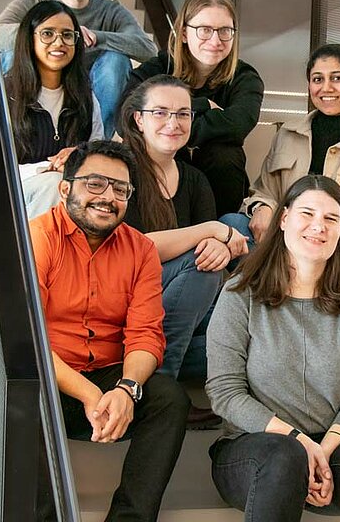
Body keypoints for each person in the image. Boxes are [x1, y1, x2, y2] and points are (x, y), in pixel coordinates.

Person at [206, 175, 340, 521]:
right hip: (255, 450)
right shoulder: (241, 292)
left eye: (330, 218)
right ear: (283, 220)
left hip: (332, 448)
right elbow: (224, 392)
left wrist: (322, 449)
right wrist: (299, 441)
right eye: (306, 214)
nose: (318, 227)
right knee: (286, 455)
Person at [29, 140, 190, 520]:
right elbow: (28, 340)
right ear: (66, 189)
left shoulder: (140, 250)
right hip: (50, 378)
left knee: (169, 399)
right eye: (95, 184)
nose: (108, 198)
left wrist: (127, 389)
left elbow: (146, 334)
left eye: (120, 189)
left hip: (108, 375)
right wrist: (88, 393)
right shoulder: (38, 238)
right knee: (19, 391)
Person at [117, 74, 249, 424]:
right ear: (138, 119)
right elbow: (134, 250)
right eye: (160, 113)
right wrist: (209, 231)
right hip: (126, 307)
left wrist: (218, 243)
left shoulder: (194, 180)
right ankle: (161, 389)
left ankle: (152, 366)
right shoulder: (121, 172)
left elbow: (209, 247)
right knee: (203, 263)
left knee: (244, 331)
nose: (173, 123)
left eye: (183, 114)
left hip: (175, 313)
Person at [0, 0, 157, 138]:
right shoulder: (35, 2)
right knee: (10, 53)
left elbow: (148, 49)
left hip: (85, 98)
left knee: (116, 61)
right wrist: (53, 32)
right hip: (37, 89)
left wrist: (97, 37)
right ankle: (10, 136)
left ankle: (98, 146)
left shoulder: (111, 11)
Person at [121, 0, 264, 216]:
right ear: (185, 33)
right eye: (205, 30)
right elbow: (127, 116)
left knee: (224, 153)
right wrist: (203, 106)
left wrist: (165, 120)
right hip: (163, 179)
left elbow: (238, 125)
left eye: (225, 30)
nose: (215, 40)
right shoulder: (158, 67)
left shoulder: (245, 78)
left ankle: (221, 233)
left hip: (220, 183)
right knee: (166, 148)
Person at [234, 43, 340, 244]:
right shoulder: (287, 134)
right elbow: (265, 190)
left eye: (337, 78)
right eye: (318, 79)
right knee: (232, 224)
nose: (326, 87)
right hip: (284, 242)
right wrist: (263, 207)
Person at [5, 0, 103, 219]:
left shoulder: (86, 98)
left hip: (71, 195)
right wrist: (46, 168)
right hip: (17, 193)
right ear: (30, 39)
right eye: (48, 34)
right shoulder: (5, 93)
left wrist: (79, 157)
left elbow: (98, 156)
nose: (59, 42)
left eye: (67, 35)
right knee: (54, 184)